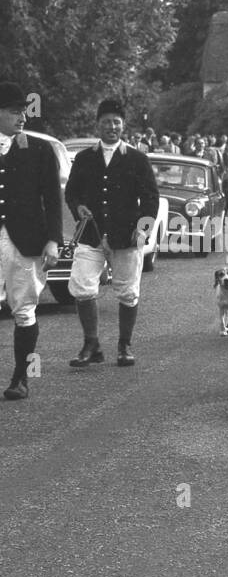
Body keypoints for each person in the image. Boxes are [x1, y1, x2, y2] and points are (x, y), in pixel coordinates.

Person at [64, 98, 160, 369]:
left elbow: (151, 198)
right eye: (106, 122)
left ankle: (124, 345)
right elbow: (71, 193)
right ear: (97, 125)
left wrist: (142, 230)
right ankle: (91, 344)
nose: (111, 127)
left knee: (128, 293)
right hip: (91, 234)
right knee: (82, 287)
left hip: (126, 236)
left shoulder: (137, 159)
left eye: (116, 122)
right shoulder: (84, 158)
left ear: (123, 125)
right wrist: (78, 206)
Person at [0, 81, 62, 400]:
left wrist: (53, 240)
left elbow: (52, 199)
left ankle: (20, 378)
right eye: (14, 113)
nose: (22, 117)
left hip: (24, 241)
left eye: (24, 111)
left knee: (24, 309)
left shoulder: (40, 150)